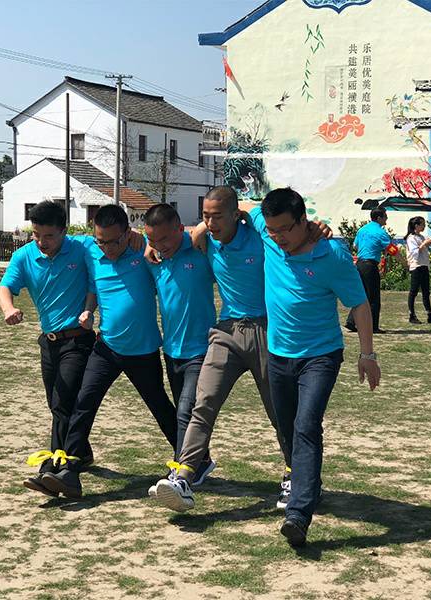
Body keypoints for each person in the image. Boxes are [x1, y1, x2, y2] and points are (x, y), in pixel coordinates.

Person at [151, 186, 331, 513]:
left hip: (267, 330)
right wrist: (154, 243)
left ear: (235, 214)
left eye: (217, 216)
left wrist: (316, 227)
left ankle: (298, 476)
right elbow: (170, 240)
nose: (210, 223)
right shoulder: (206, 241)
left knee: (279, 411)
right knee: (204, 403)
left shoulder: (259, 234)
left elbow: (267, 214)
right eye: (205, 216)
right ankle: (185, 476)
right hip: (227, 331)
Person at [255, 188, 380, 546]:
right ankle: (309, 484)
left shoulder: (332, 255)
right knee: (286, 428)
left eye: (285, 229)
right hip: (278, 354)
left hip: (320, 356)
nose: (278, 237)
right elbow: (241, 208)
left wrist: (367, 355)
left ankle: (298, 514)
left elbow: (359, 304)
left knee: (306, 425)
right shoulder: (268, 235)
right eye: (272, 230)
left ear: (303, 221)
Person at [41, 204, 178, 499]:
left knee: (160, 406)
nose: (107, 248)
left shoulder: (143, 253)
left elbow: (173, 243)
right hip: (106, 347)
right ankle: (70, 471)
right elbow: (59, 242)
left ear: (127, 234)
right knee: (83, 403)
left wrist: (144, 239)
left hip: (142, 351)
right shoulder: (91, 251)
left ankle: (191, 460)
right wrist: (88, 310)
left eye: (114, 242)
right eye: (101, 241)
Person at [0, 200, 96, 497]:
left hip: (77, 340)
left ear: (64, 231)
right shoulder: (24, 256)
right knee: (57, 403)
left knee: (62, 402)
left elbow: (97, 278)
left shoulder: (82, 248)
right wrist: (8, 309)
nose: (41, 241)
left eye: (49, 236)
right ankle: (81, 453)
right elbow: (4, 287)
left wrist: (89, 309)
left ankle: (54, 467)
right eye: (36, 234)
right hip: (49, 342)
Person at [142, 204, 218, 494]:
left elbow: (223, 222)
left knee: (187, 410)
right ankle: (202, 460)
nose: (160, 245)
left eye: (165, 239)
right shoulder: (154, 257)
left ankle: (181, 472)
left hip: (201, 349)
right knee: (182, 413)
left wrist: (202, 227)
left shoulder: (200, 247)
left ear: (179, 228)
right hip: (171, 350)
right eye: (153, 240)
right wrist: (148, 244)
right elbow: (136, 239)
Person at [345, 207, 392, 334]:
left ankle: (351, 321)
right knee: (373, 297)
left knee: (362, 294)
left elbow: (355, 246)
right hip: (370, 265)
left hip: (360, 264)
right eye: (385, 216)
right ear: (379, 218)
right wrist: (404, 262)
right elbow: (392, 249)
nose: (386, 218)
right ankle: (373, 326)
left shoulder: (362, 230)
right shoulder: (380, 232)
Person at [405, 216, 431, 325]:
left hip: (424, 265)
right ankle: (412, 315)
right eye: (422, 224)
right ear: (416, 226)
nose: (424, 226)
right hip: (416, 266)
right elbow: (414, 253)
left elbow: (423, 249)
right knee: (414, 291)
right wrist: (424, 244)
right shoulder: (411, 238)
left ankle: (430, 315)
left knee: (426, 292)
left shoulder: (421, 237)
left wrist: (428, 243)